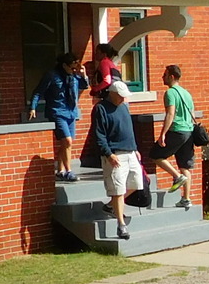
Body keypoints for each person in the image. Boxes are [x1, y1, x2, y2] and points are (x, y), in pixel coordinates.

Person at [90, 79, 144, 242]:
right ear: (112, 94)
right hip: (115, 154)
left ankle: (110, 206)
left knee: (136, 184)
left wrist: (135, 148)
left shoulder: (124, 107)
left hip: (130, 152)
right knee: (118, 190)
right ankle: (121, 225)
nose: (123, 99)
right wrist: (108, 153)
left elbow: (129, 129)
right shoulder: (101, 109)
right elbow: (99, 134)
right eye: (121, 96)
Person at [30, 53, 89, 181]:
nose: (74, 70)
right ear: (64, 65)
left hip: (71, 112)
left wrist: (83, 75)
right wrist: (33, 107)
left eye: (75, 68)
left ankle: (60, 170)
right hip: (57, 111)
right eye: (72, 68)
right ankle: (69, 171)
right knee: (67, 141)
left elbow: (84, 86)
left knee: (66, 144)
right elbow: (38, 91)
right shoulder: (52, 75)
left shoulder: (73, 76)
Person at [159, 61, 197, 195]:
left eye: (165, 75)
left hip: (177, 130)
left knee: (156, 155)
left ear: (172, 77)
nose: (162, 77)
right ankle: (186, 199)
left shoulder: (170, 93)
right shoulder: (187, 94)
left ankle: (177, 176)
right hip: (189, 132)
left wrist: (163, 134)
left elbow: (170, 113)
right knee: (184, 166)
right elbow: (192, 114)